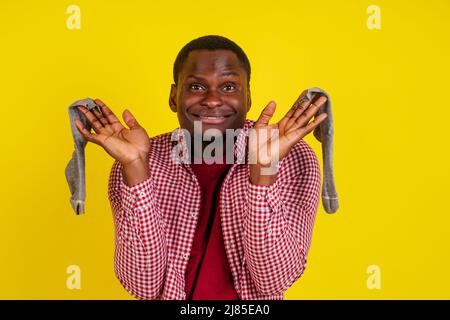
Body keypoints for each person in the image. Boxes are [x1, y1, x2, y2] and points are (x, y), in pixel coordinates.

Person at [74, 35, 328, 300]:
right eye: (196, 86)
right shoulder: (136, 160)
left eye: (229, 87)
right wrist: (136, 169)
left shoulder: (295, 158)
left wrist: (264, 170)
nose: (212, 100)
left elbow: (274, 281)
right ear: (174, 97)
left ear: (249, 97)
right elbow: (143, 286)